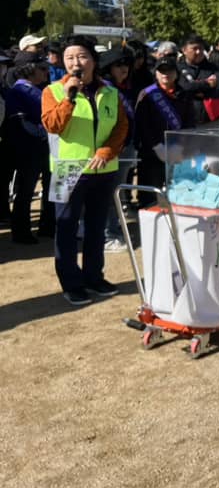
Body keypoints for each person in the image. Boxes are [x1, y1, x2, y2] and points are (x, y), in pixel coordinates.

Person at [41, 35, 128, 306]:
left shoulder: (110, 93)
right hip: (66, 168)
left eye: (81, 56)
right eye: (69, 58)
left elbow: (121, 127)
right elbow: (52, 125)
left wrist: (107, 151)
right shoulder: (52, 91)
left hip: (103, 169)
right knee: (66, 227)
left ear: (93, 60)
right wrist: (69, 97)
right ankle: (71, 283)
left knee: (96, 226)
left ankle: (94, 277)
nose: (75, 63)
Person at [134, 55, 195, 208]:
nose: (165, 74)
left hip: (178, 153)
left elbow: (189, 123)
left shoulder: (184, 95)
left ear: (176, 73)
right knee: (149, 197)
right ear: (155, 73)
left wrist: (180, 145)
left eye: (169, 70)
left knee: (178, 194)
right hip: (151, 154)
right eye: (161, 71)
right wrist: (156, 146)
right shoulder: (147, 94)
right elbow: (142, 124)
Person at [6, 53, 55, 243]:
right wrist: (44, 132)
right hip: (28, 148)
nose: (46, 72)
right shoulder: (18, 92)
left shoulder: (39, 90)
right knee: (26, 190)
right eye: (42, 68)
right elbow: (21, 121)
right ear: (29, 69)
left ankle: (48, 226)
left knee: (49, 187)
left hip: (43, 147)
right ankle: (21, 232)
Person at [99, 48, 138, 253]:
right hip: (111, 148)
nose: (124, 69)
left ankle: (110, 230)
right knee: (109, 194)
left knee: (114, 192)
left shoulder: (122, 87)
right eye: (119, 65)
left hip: (123, 147)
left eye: (127, 65)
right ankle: (109, 235)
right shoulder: (105, 88)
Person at [178, 34, 219, 126]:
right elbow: (184, 88)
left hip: (212, 121)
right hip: (186, 121)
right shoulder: (178, 69)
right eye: (194, 48)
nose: (198, 52)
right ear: (184, 50)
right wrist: (207, 84)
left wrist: (204, 94)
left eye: (201, 48)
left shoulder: (214, 68)